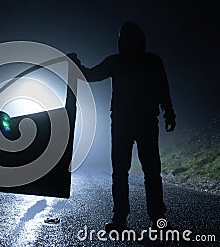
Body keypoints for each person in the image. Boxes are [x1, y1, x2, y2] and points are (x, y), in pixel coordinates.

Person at [69, 22, 176, 232]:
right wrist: (169, 112)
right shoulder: (151, 61)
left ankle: (122, 220)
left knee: (123, 172)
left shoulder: (117, 61)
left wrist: (75, 64)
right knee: (149, 171)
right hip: (143, 121)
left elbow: (90, 75)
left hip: (123, 122)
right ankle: (155, 219)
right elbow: (163, 88)